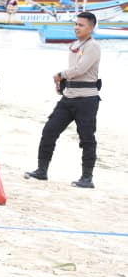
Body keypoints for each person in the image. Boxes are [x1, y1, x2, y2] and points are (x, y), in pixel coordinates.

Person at [25, 12, 101, 189]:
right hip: (69, 98)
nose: (76, 27)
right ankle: (42, 170)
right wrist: (62, 83)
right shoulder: (74, 45)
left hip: (87, 100)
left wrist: (60, 75)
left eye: (81, 25)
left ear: (91, 28)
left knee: (87, 138)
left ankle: (87, 178)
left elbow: (81, 68)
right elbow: (74, 70)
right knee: (49, 130)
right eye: (75, 24)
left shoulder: (93, 47)